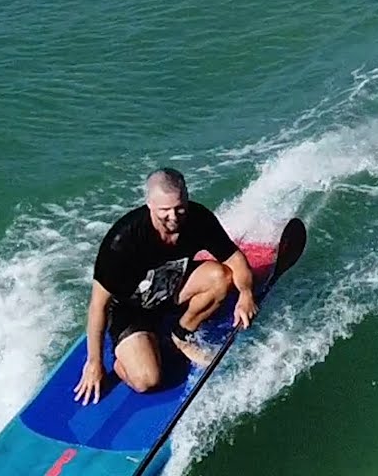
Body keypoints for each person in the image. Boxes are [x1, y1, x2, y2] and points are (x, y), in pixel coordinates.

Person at [73, 168, 257, 404]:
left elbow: (235, 259)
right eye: (164, 210)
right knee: (146, 380)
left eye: (179, 208)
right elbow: (98, 305)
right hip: (131, 311)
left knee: (221, 277)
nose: (174, 216)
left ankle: (179, 335)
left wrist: (246, 293)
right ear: (149, 204)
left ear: (187, 198)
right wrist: (95, 362)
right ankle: (127, 358)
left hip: (171, 288)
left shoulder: (198, 218)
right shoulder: (122, 241)